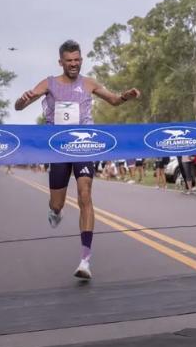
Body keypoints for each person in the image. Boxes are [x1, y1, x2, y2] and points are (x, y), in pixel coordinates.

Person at [14, 40, 140, 280]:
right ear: (60, 62)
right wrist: (21, 101)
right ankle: (55, 211)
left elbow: (113, 100)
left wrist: (126, 96)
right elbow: (20, 106)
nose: (73, 64)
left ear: (81, 60)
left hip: (83, 146)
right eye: (69, 61)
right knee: (57, 203)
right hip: (58, 149)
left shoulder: (89, 83)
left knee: (85, 194)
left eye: (77, 60)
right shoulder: (49, 83)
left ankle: (85, 260)